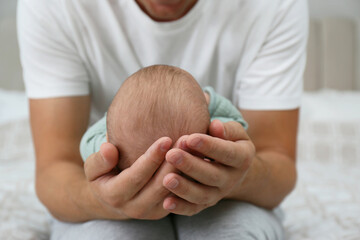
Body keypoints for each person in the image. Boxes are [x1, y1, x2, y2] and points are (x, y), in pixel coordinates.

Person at [18, 0, 308, 239]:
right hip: (100, 205)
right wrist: (107, 196)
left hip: (231, 201)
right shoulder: (54, 7)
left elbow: (277, 166)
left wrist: (238, 172)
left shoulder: (273, 7)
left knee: (236, 231)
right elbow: (56, 169)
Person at [80, 65, 248, 171]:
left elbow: (87, 142)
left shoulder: (107, 142)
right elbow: (239, 125)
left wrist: (107, 139)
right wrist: (212, 103)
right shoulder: (208, 139)